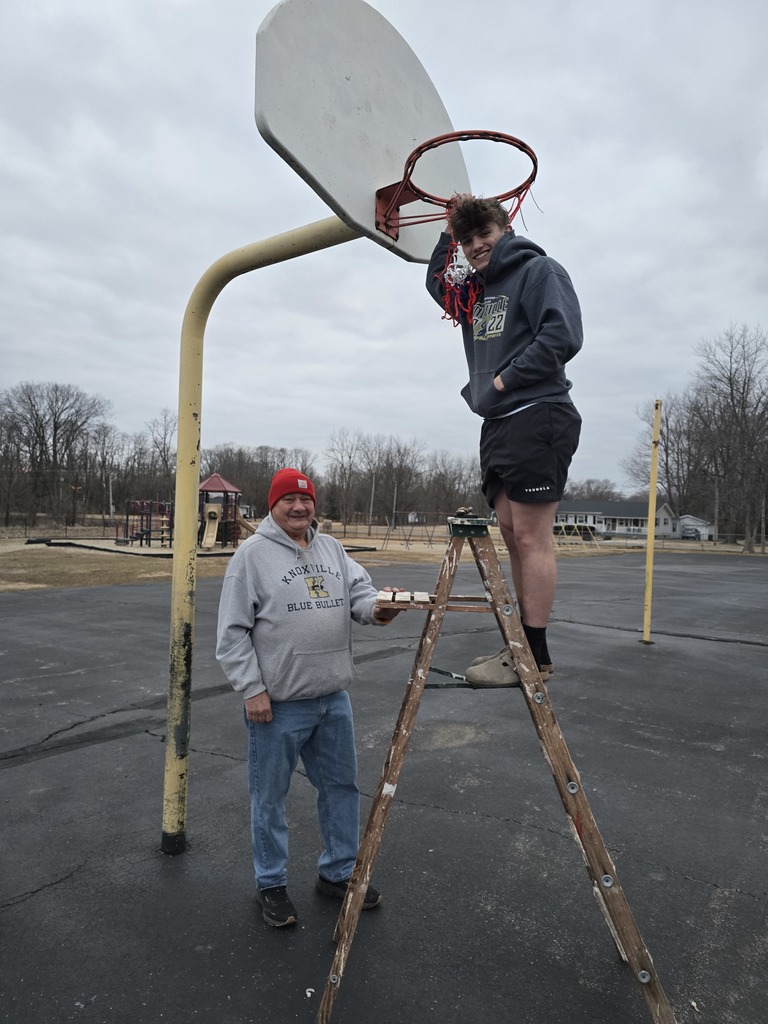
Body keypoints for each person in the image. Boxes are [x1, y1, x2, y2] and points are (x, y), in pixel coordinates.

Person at [216, 468, 402, 927]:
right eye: (289, 501)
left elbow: (361, 594)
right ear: (272, 505)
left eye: (306, 500)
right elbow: (232, 634)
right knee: (269, 797)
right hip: (277, 706)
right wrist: (253, 689)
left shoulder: (332, 548)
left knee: (341, 789)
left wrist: (381, 609)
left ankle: (338, 874)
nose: (299, 508)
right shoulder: (251, 557)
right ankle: (271, 885)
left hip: (332, 699)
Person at [426, 195, 582, 687]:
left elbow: (562, 337)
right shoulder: (474, 292)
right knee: (513, 536)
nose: (476, 246)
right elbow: (437, 284)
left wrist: (501, 382)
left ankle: (532, 656)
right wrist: (445, 229)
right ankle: (522, 648)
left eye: (484, 235)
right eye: (467, 240)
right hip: (498, 423)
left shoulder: (539, 271)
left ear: (505, 226)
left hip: (537, 411)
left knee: (533, 538)